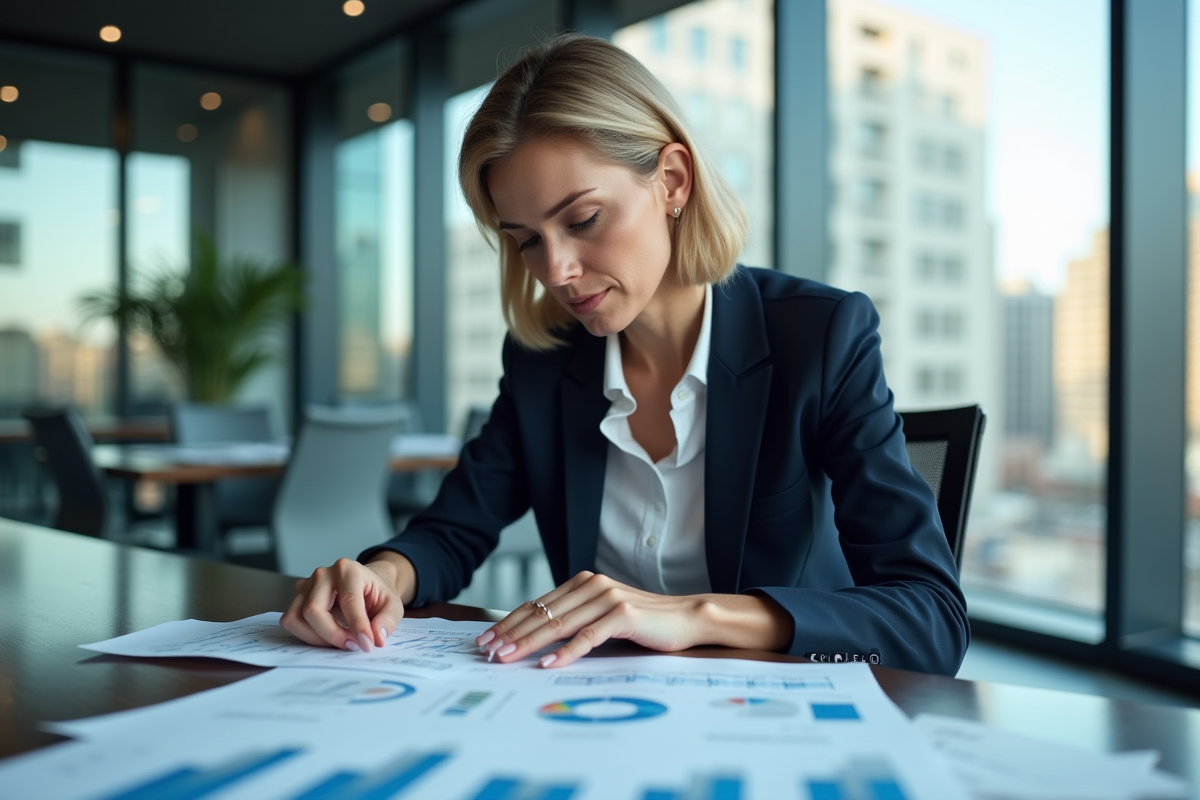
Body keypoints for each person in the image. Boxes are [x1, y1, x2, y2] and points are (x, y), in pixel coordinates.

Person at [281, 34, 969, 677]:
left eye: (582, 220)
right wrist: (383, 577)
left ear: (672, 180)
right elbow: (454, 529)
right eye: (525, 239)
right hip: (597, 712)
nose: (555, 270)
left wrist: (690, 616)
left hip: (772, 718)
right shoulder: (544, 361)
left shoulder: (819, 337)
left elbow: (930, 618)